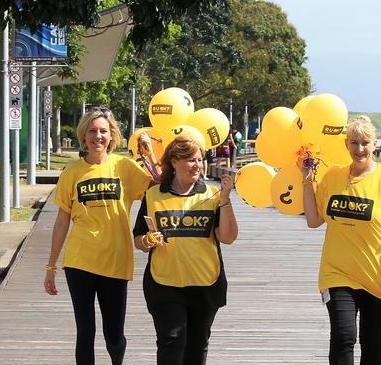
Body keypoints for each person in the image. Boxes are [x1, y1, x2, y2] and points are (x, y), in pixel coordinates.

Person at [44, 106, 158, 365]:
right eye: (92, 131)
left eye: (103, 131)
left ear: (112, 135)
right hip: (79, 261)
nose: (98, 136)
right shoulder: (72, 173)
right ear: (84, 135)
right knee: (85, 332)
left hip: (115, 260)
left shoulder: (125, 167)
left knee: (114, 335)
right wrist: (51, 266)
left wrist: (149, 155)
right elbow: (62, 221)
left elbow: (160, 185)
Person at [300, 115, 381, 364]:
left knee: (372, 342)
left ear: (374, 144)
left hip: (377, 276)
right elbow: (314, 219)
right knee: (343, 336)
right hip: (337, 273)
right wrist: (307, 180)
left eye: (365, 143)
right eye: (354, 143)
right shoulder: (333, 176)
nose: (359, 149)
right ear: (346, 144)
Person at [132, 136, 238, 364]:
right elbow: (138, 239)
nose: (197, 165)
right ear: (174, 161)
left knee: (197, 347)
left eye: (200, 160)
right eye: (191, 160)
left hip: (205, 283)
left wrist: (226, 199)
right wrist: (147, 240)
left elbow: (227, 237)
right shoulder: (153, 195)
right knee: (171, 341)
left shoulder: (212, 195)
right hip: (164, 284)